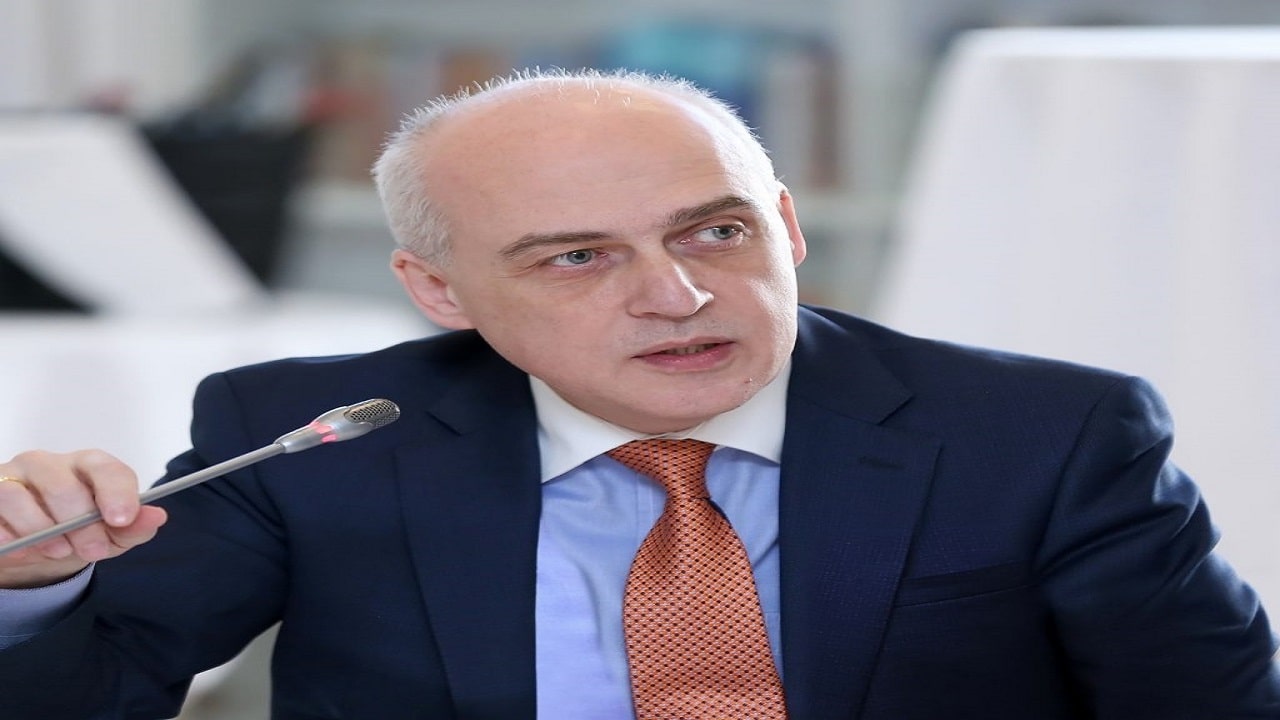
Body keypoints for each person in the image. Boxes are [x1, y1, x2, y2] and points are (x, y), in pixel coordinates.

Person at [0, 68, 1277, 719]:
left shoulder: (1044, 438)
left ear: (786, 226)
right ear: (438, 289)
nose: (675, 295)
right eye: (576, 258)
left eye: (716, 232)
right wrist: (28, 585)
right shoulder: (316, 437)